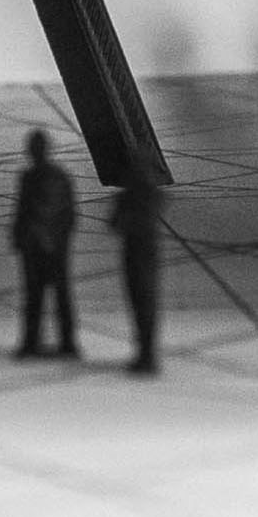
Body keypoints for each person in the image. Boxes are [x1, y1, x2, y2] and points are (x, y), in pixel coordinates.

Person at [10, 127, 78, 358]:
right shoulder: (33, 177)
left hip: (49, 246)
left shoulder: (51, 177)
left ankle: (64, 343)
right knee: (37, 296)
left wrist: (45, 238)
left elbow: (58, 213)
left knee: (53, 296)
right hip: (41, 244)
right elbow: (22, 210)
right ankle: (36, 342)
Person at [108, 156, 164, 376]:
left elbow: (116, 224)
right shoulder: (151, 196)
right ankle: (145, 353)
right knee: (143, 304)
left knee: (143, 304)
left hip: (139, 254)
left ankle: (146, 354)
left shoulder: (137, 198)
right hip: (142, 254)